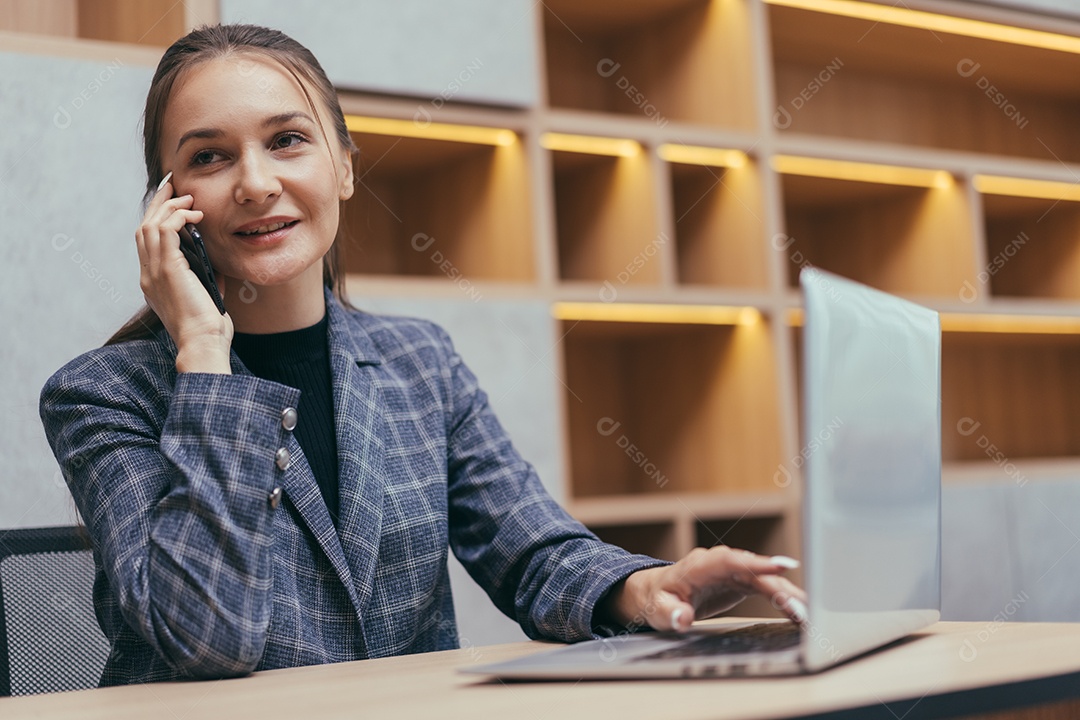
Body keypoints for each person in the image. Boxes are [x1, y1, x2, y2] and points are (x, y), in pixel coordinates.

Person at [38, 23, 806, 687]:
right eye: (210, 158)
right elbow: (206, 637)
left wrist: (647, 588)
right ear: (167, 205)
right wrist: (203, 351)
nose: (257, 183)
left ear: (342, 166)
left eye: (287, 141)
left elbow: (532, 555)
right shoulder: (100, 395)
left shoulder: (418, 362)